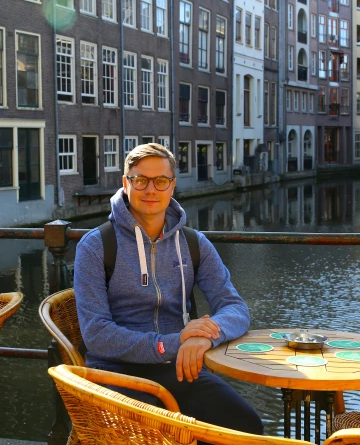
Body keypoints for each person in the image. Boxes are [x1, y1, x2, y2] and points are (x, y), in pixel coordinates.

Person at [74, 143, 263, 437]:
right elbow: (97, 335)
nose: (151, 189)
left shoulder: (193, 243)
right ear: (126, 184)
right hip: (115, 372)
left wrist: (205, 338)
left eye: (161, 181)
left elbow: (235, 307)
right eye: (140, 180)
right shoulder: (95, 246)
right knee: (161, 433)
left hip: (180, 367)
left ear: (172, 186)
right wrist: (172, 343)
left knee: (246, 426)